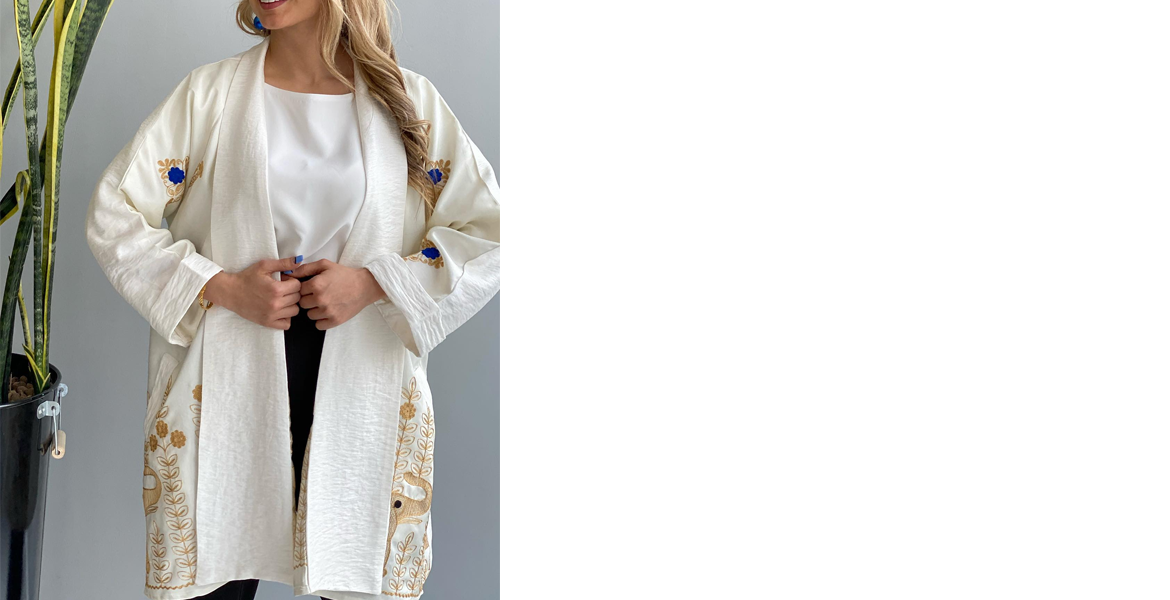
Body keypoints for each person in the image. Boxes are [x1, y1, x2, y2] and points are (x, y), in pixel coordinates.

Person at [84, 1, 500, 598]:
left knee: (356, 568)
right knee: (215, 575)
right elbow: (114, 214)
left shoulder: (408, 103)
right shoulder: (210, 96)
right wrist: (220, 286)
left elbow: (489, 232)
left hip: (362, 372)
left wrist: (374, 283)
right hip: (225, 371)